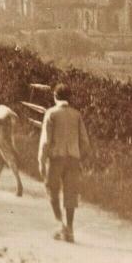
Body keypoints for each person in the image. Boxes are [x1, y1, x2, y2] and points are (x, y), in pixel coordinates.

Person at [37, 83, 90, 243]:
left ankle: (61, 226)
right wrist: (80, 158)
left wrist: (41, 160)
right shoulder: (77, 115)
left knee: (52, 190)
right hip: (73, 159)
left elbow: (45, 141)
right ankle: (70, 230)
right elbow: (85, 142)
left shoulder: (51, 113)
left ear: (55, 96)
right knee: (71, 194)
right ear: (70, 98)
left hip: (56, 158)